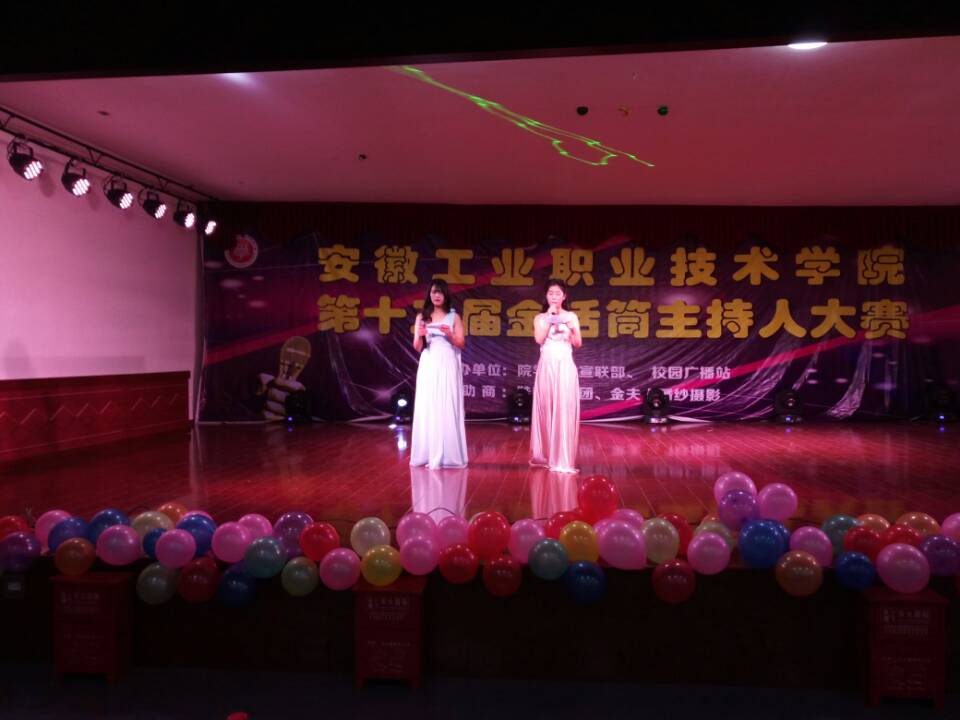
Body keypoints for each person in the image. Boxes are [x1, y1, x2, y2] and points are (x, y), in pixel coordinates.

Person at [409, 279, 468, 468]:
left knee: (446, 402)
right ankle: (427, 453)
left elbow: (461, 343)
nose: (436, 295)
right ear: (429, 294)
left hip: (448, 360)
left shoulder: (454, 316)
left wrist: (450, 335)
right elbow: (417, 347)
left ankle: (448, 455)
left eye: (440, 292)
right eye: (434, 292)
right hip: (429, 361)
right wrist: (420, 334)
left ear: (446, 295)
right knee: (429, 404)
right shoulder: (422, 316)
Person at [530, 279, 581, 473]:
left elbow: (578, 343)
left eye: (558, 293)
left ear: (564, 296)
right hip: (547, 365)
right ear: (546, 296)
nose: (554, 297)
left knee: (564, 409)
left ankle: (563, 457)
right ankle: (546, 454)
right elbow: (539, 339)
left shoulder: (571, 316)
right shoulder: (540, 317)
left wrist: (572, 330)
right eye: (551, 293)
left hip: (565, 365)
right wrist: (550, 317)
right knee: (547, 407)